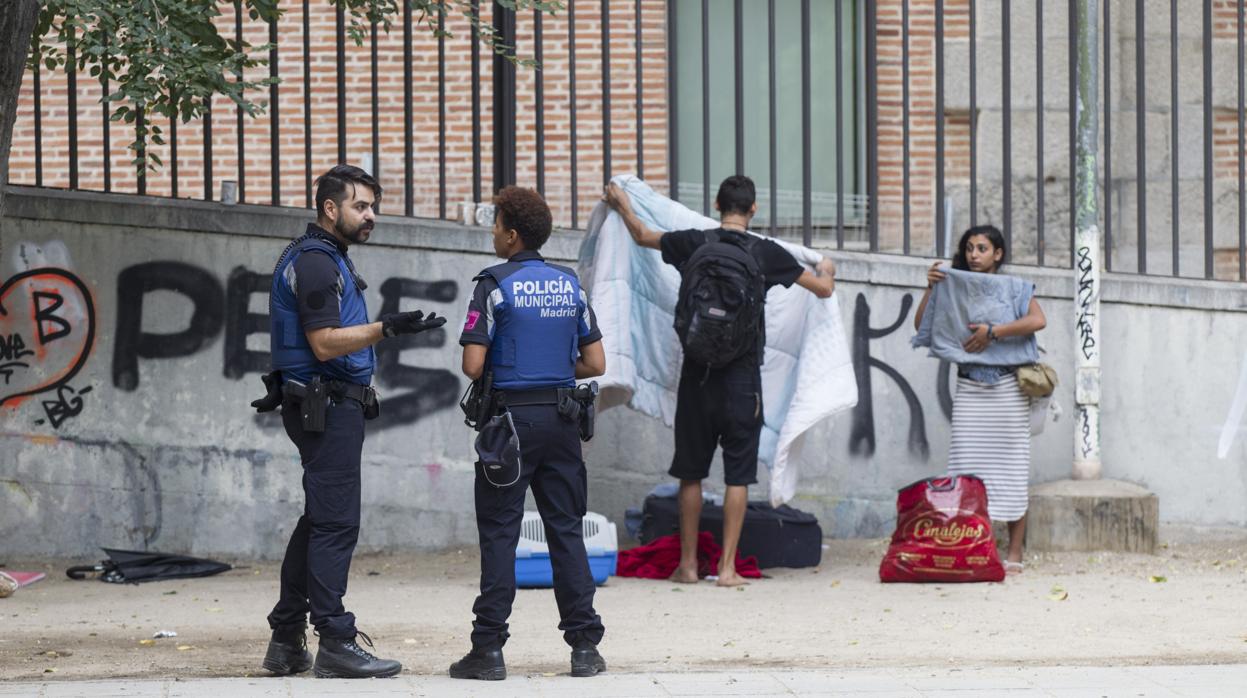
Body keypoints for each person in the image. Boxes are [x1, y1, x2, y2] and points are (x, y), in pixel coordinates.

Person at [259, 164, 446, 679]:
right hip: (326, 406)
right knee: (337, 522)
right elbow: (322, 342)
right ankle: (336, 641)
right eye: (361, 206)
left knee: (319, 518)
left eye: (372, 206)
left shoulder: (321, 257)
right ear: (329, 208)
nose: (371, 216)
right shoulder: (318, 262)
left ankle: (285, 638)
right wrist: (385, 328)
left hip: (323, 403)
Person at [604, 175, 836, 587]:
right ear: (753, 210)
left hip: (696, 376)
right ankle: (727, 569)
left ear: (717, 204)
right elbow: (821, 288)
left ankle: (688, 566)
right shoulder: (766, 252)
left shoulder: (695, 242)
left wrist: (622, 202)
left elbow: (641, 236)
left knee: (690, 473)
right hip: (742, 381)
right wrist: (828, 267)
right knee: (737, 475)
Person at [451, 186, 608, 680]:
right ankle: (585, 648)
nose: (493, 233)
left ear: (512, 235)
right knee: (566, 531)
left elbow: (473, 365)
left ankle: (488, 650)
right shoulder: (570, 285)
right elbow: (596, 362)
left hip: (509, 428)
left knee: (500, 533)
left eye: (497, 225)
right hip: (562, 423)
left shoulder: (493, 285)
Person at [913, 225, 1047, 574]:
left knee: (1012, 469)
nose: (974, 254)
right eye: (970, 248)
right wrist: (930, 287)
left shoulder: (1015, 286)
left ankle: (1014, 552)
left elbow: (1038, 320)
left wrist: (994, 333)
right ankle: (971, 544)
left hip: (1007, 389)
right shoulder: (952, 284)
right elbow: (921, 326)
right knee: (966, 469)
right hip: (970, 389)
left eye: (982, 248)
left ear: (997, 254)